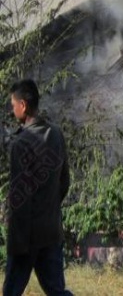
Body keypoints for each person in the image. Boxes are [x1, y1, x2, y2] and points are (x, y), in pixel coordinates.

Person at [3, 79, 73, 296]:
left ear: (23, 105)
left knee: (12, 291)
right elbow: (64, 181)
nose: (12, 109)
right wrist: (49, 208)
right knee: (56, 291)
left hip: (27, 236)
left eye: (13, 105)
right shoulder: (56, 134)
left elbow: (20, 195)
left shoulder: (21, 143)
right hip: (51, 231)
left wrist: (16, 239)